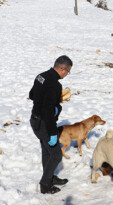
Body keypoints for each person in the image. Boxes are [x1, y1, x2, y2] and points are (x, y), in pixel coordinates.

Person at [29, 55, 72, 194]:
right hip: (44, 123)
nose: (67, 74)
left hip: (35, 120)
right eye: (68, 71)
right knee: (56, 155)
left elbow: (31, 94)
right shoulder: (55, 84)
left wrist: (49, 101)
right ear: (63, 69)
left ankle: (49, 177)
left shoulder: (40, 76)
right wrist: (53, 132)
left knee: (47, 151)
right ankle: (45, 185)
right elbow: (48, 111)